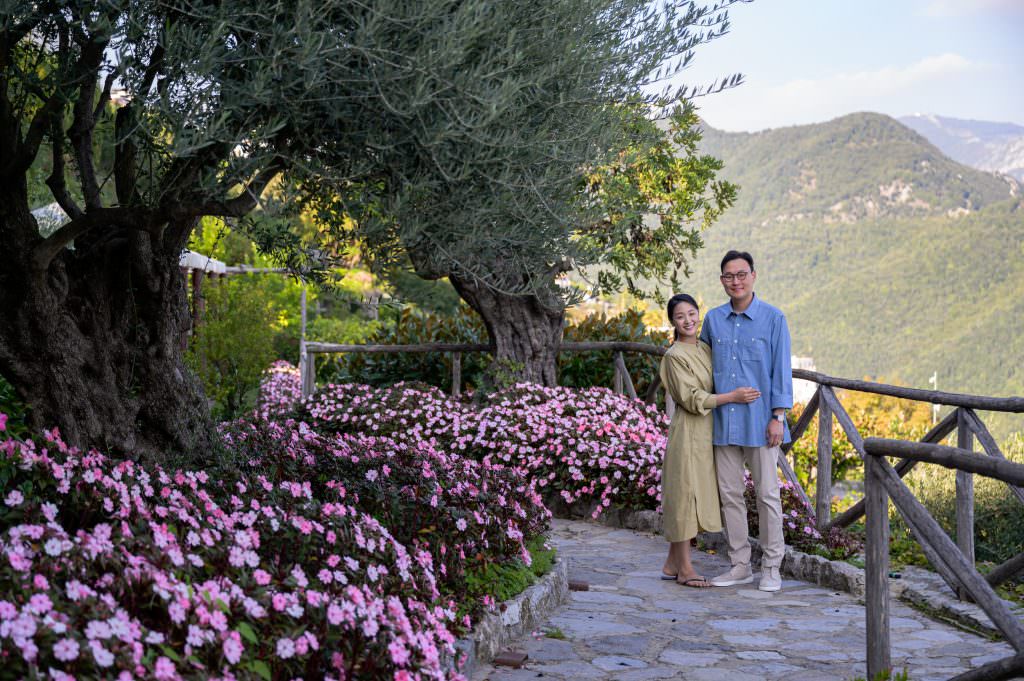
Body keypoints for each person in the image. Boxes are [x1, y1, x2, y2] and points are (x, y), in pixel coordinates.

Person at [699, 250, 793, 592]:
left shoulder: (774, 319)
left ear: (753, 275)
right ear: (722, 280)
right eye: (728, 276)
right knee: (730, 496)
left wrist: (778, 418)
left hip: (761, 421)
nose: (735, 281)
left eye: (741, 274)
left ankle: (771, 566)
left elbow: (780, 371)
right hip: (724, 421)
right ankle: (740, 564)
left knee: (768, 495)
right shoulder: (713, 320)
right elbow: (702, 368)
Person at [659, 293, 760, 588]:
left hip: (708, 433)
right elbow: (692, 399)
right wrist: (733, 397)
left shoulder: (705, 348)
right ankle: (685, 570)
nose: (688, 320)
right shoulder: (674, 356)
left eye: (692, 313)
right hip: (688, 432)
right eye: (680, 317)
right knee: (685, 499)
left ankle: (671, 562)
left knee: (696, 494)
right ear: (673, 322)